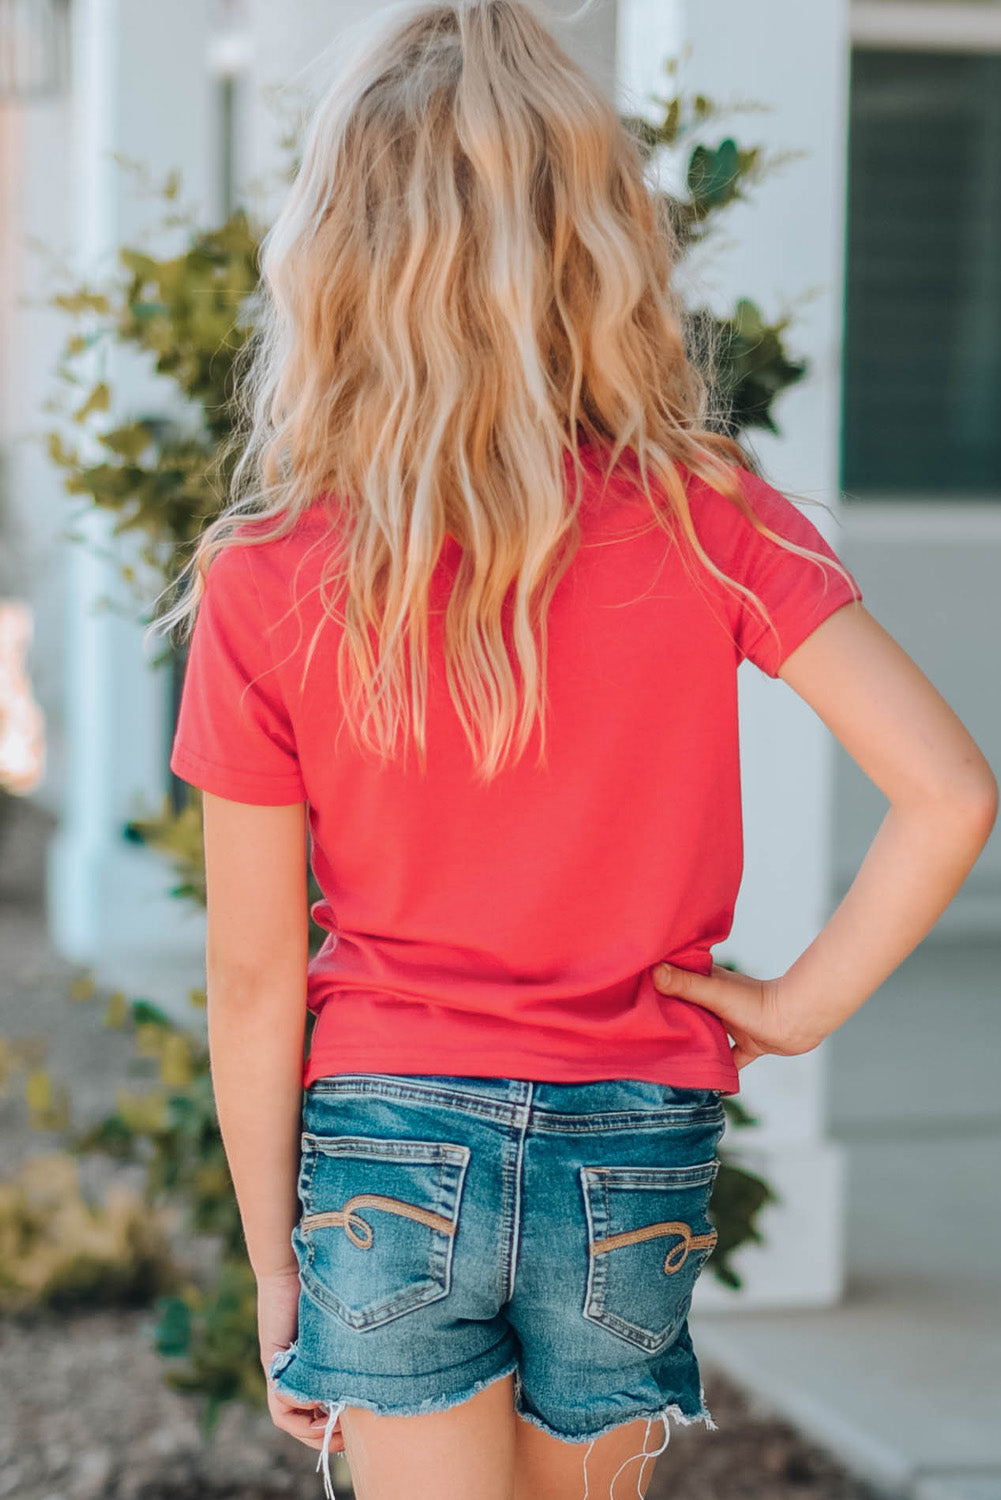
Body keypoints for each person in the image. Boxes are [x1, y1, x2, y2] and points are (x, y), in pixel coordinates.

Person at [157, 3, 998, 1497]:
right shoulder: (707, 515)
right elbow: (947, 790)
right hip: (636, 1137)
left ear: (334, 263)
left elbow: (249, 976)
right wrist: (793, 1012)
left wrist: (278, 1269)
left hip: (384, 1144)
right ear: (597, 244)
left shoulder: (270, 574)